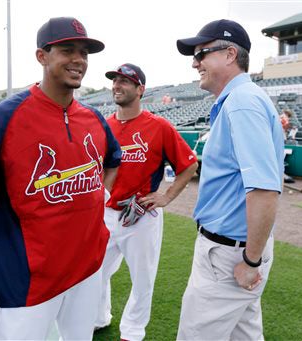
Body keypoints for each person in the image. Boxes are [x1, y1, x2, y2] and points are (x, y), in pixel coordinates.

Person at [0, 17, 121, 340]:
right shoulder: (4, 117)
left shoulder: (94, 118)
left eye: (84, 53)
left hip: (87, 270)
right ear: (42, 56)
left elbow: (113, 159)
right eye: (67, 50)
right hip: (28, 281)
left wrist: (101, 195)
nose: (79, 60)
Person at [176, 19, 284, 340]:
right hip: (234, 252)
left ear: (229, 54)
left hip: (229, 257)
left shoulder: (242, 102)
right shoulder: (242, 99)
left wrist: (251, 260)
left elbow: (264, 191)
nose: (195, 63)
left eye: (202, 53)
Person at [95, 63, 198, 341]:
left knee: (142, 279)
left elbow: (188, 165)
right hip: (107, 213)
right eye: (115, 80)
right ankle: (99, 317)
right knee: (95, 273)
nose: (117, 85)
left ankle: (133, 331)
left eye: (125, 81)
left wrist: (166, 196)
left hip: (142, 214)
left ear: (140, 89)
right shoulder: (105, 126)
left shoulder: (159, 126)